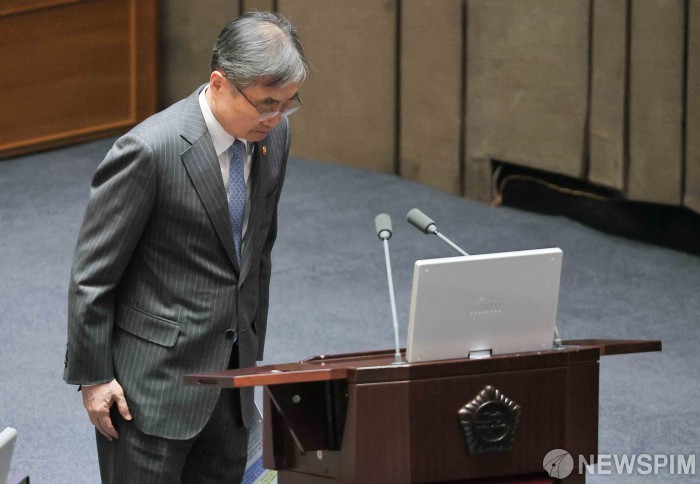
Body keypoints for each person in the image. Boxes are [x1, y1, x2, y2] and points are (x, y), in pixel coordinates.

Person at [63, 11, 308, 483]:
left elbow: (258, 249)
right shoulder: (148, 151)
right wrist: (93, 378)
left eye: (287, 103)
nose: (276, 117)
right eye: (265, 104)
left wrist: (250, 351)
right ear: (219, 84)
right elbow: (92, 275)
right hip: (149, 389)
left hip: (231, 381)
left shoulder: (273, 137)